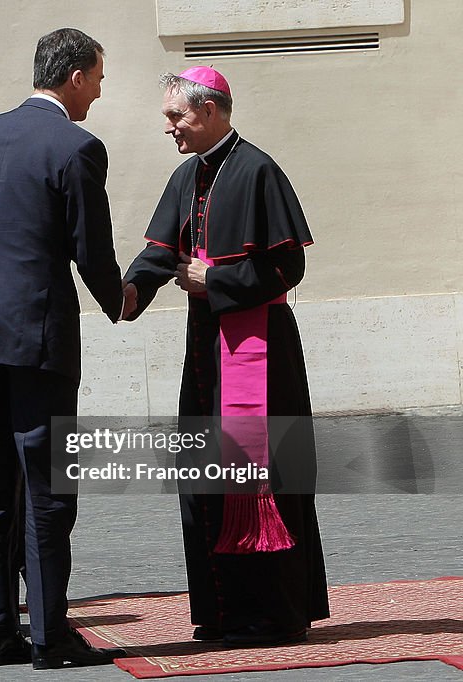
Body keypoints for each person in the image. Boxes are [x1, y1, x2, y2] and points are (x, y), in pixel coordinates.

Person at [0, 28, 133, 669]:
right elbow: (90, 244)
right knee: (47, 490)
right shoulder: (75, 145)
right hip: (36, 339)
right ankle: (48, 638)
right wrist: (120, 298)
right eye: (98, 77)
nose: (99, 90)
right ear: (74, 77)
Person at [122, 66, 330, 647]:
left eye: (176, 116)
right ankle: (219, 611)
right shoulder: (187, 176)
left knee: (270, 477)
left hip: (262, 353)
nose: (169, 127)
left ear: (210, 110)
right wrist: (133, 289)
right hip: (205, 353)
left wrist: (218, 279)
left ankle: (277, 614)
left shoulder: (259, 169)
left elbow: (288, 267)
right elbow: (159, 251)